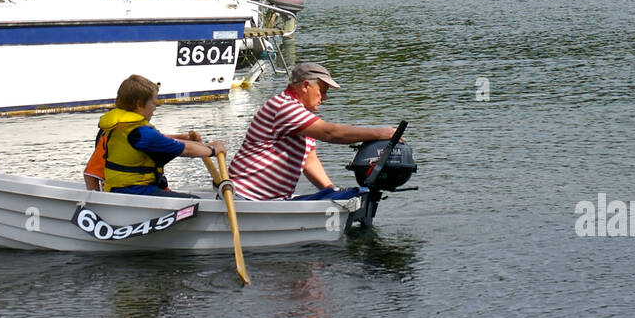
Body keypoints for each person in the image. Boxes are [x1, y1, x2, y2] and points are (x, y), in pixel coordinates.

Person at [230, 62, 399, 201]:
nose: (324, 98)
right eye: (322, 91)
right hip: (244, 197)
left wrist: (331, 191)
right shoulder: (285, 106)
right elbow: (329, 133)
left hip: (270, 200)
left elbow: (309, 162)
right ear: (305, 86)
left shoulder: (303, 116)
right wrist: (378, 133)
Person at [83, 74, 225, 197]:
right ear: (139, 104)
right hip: (135, 192)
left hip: (131, 190)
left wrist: (186, 138)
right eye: (154, 104)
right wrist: (211, 150)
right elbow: (183, 149)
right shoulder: (138, 132)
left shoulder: (120, 128)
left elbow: (157, 140)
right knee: (195, 203)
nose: (155, 108)